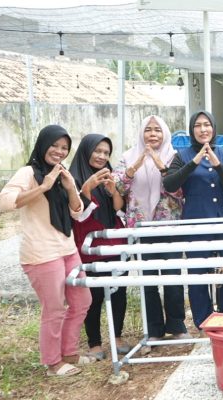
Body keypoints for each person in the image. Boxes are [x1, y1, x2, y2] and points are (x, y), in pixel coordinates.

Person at [0, 125, 94, 376]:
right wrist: (43, 186)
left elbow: (77, 212)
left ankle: (70, 351)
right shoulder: (29, 172)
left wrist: (71, 187)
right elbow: (5, 202)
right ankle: (53, 363)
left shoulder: (62, 173)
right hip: (41, 252)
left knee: (82, 300)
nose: (60, 151)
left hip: (66, 246)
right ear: (43, 144)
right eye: (55, 145)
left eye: (64, 148)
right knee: (54, 308)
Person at [115, 115, 189, 351]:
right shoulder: (127, 156)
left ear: (165, 133)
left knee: (172, 276)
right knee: (148, 280)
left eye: (158, 130)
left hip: (169, 225)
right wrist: (135, 165)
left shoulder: (175, 156)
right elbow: (118, 188)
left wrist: (160, 164)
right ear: (141, 133)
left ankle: (177, 327)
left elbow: (179, 191)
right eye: (148, 130)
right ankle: (154, 330)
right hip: (141, 225)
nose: (153, 134)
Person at [164, 111, 223, 329]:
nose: (203, 129)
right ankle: (204, 321)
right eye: (198, 125)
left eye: (207, 125)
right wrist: (194, 162)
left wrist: (216, 164)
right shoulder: (181, 155)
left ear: (213, 128)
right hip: (195, 220)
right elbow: (169, 184)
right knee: (198, 271)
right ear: (191, 129)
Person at [69, 133, 129, 360]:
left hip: (115, 240)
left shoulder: (108, 175)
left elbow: (118, 209)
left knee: (119, 291)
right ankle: (94, 343)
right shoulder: (72, 178)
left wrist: (113, 190)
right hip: (89, 243)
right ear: (86, 151)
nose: (102, 156)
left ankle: (118, 336)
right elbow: (78, 215)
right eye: (98, 151)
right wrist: (86, 189)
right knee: (93, 294)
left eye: (106, 153)